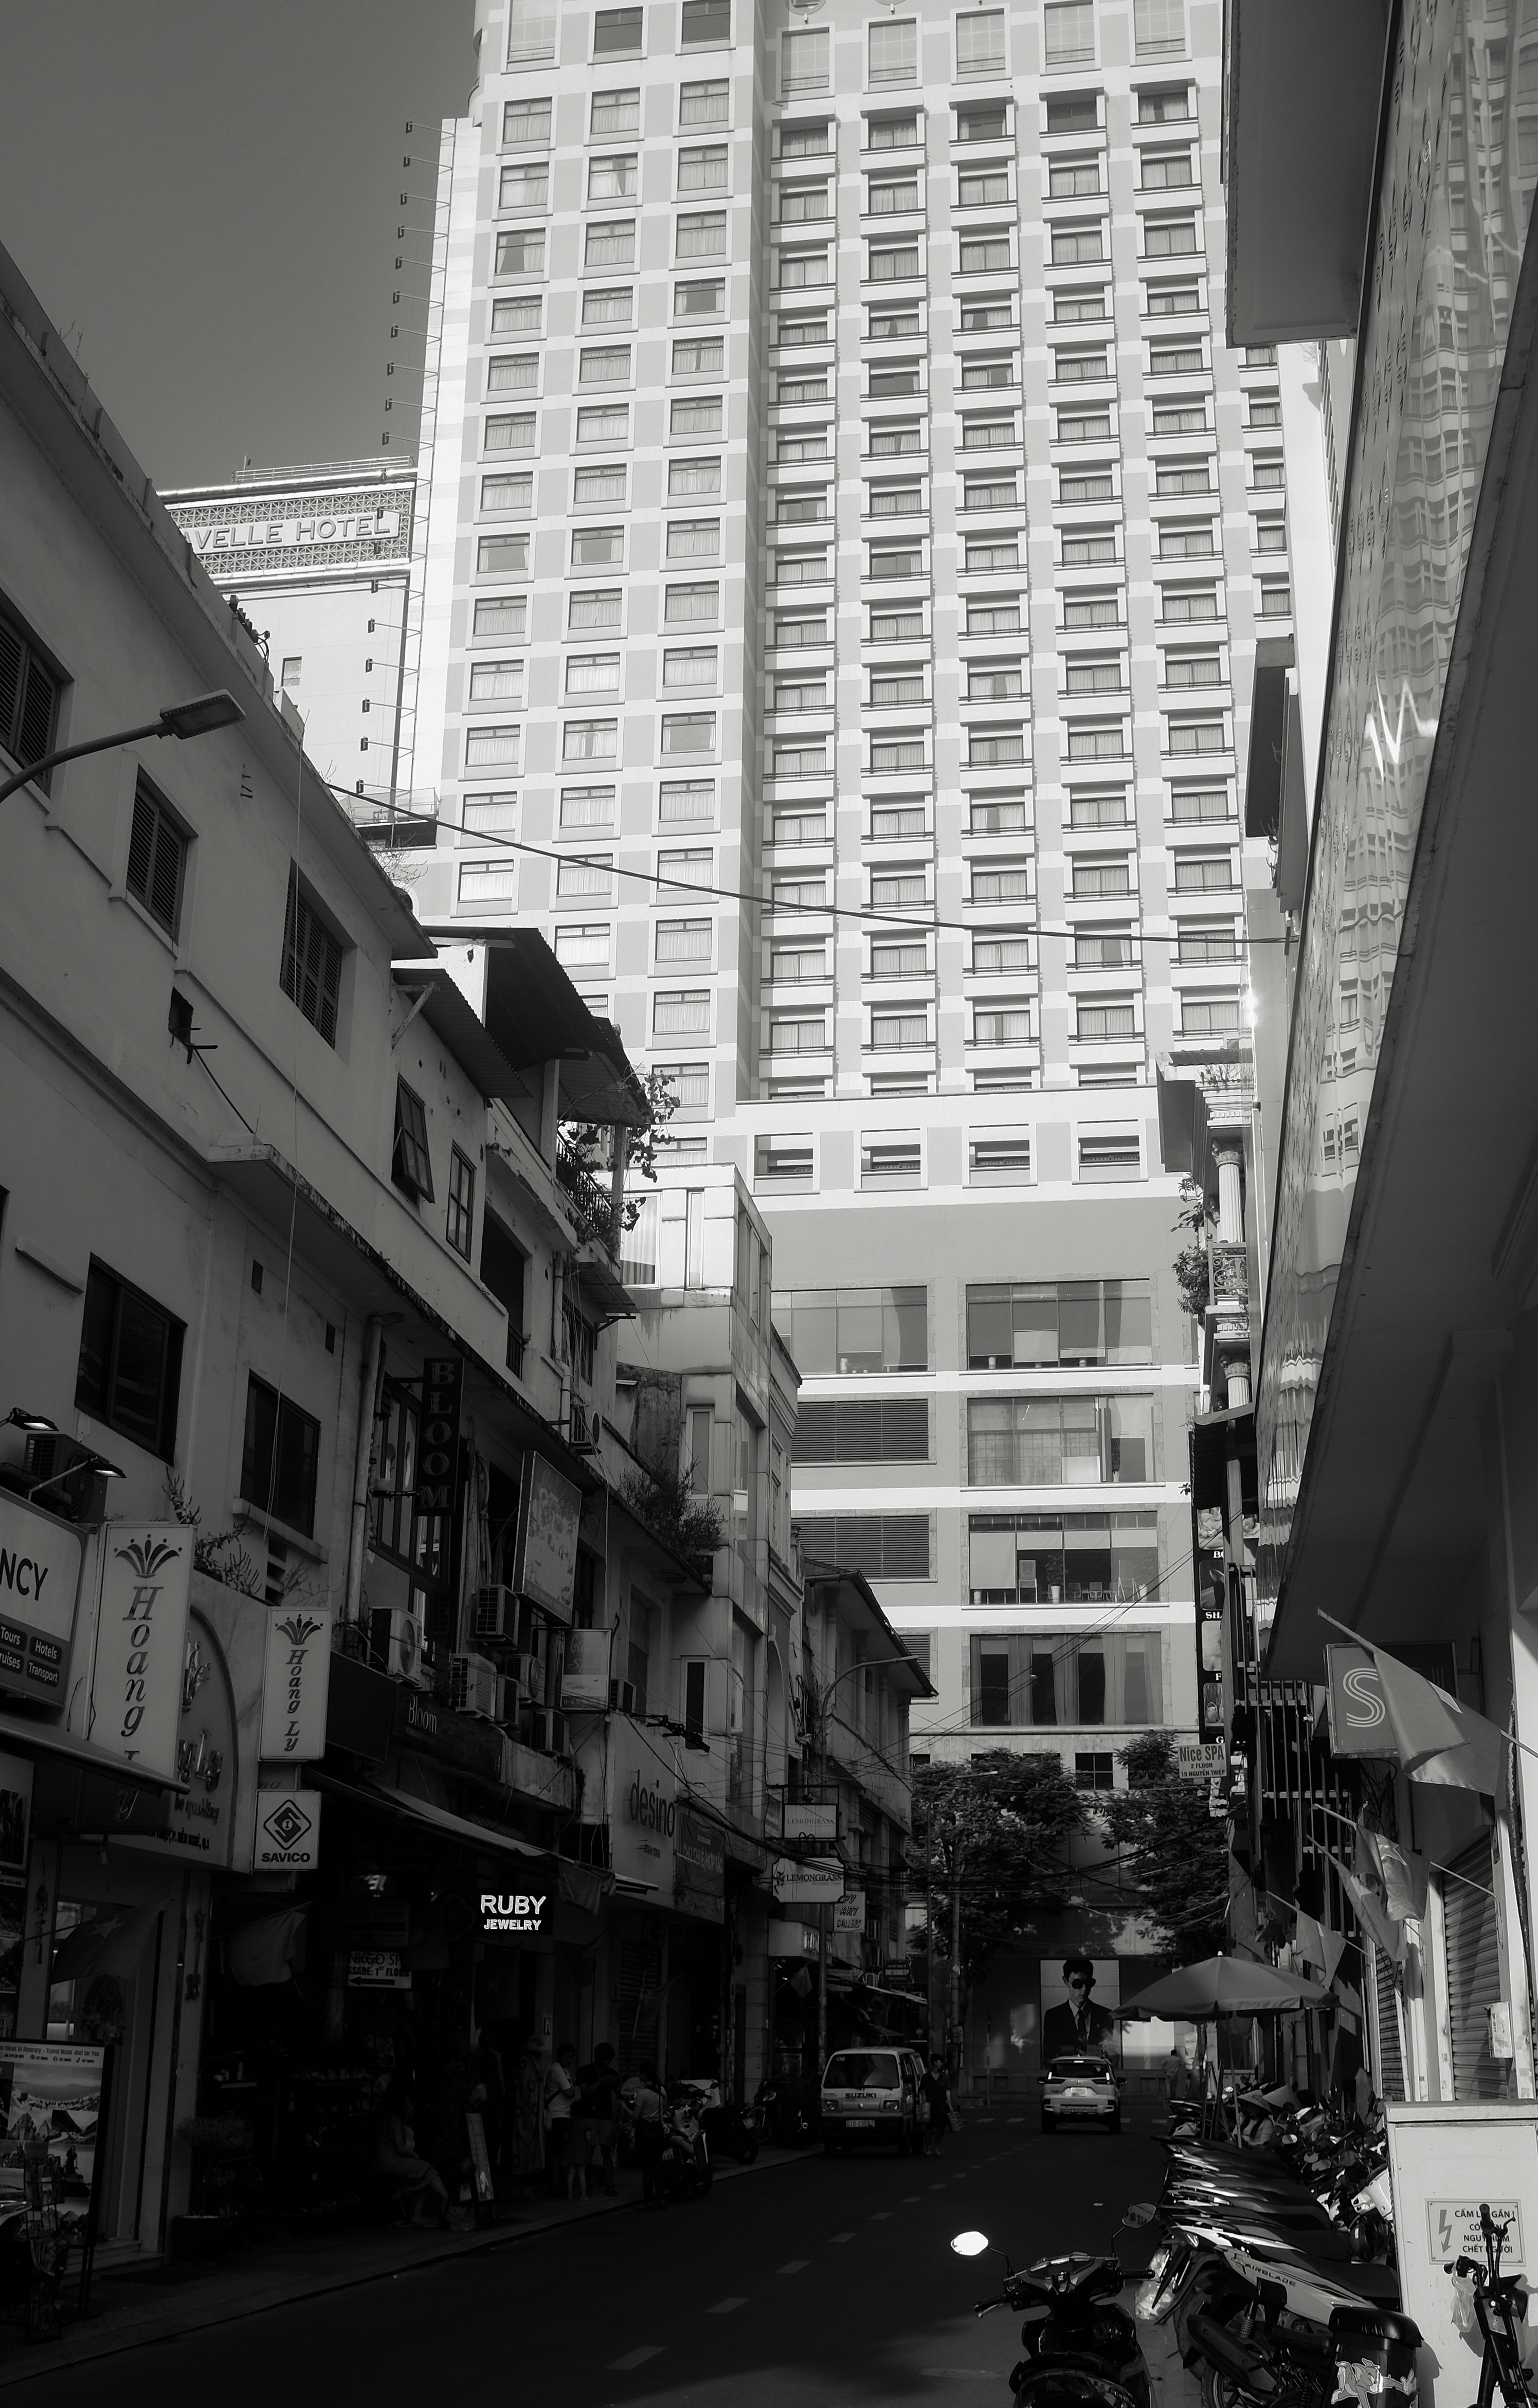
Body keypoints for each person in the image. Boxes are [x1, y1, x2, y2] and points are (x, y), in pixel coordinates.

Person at [373, 2082, 449, 2226]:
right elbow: (400, 2149)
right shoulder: (396, 2119)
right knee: (427, 2168)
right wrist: (414, 2156)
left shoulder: (381, 2115)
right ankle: (446, 2200)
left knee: (427, 2172)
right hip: (392, 2160)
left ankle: (414, 2206)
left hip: (382, 2159)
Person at [1041, 1957, 1116, 2060]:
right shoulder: (1054, 2016)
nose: (1084, 1989)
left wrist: (1110, 2054)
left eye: (1089, 1983)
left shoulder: (1105, 2015)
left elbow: (1110, 2053)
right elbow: (1049, 2053)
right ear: (1066, 1981)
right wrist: (1072, 2051)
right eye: (1078, 1984)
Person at [574, 2041, 621, 2198]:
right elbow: (586, 2093)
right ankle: (587, 2185)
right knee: (589, 2150)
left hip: (606, 2116)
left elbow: (619, 2094)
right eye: (604, 2059)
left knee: (607, 2151)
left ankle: (610, 2185)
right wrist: (602, 2081)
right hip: (589, 2115)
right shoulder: (585, 2071)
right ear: (597, 2058)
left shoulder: (613, 2073)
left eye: (608, 2060)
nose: (606, 2063)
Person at [623, 2065, 666, 2204]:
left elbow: (636, 2116)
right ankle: (661, 2199)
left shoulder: (641, 2094)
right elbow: (665, 2110)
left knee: (647, 2168)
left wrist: (624, 2108)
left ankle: (648, 2200)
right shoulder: (661, 2091)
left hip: (645, 2134)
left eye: (641, 2073)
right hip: (658, 2132)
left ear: (645, 2075)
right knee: (658, 2167)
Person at [543, 2043, 578, 2197]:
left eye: (572, 2058)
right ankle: (556, 2185)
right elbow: (569, 2092)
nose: (570, 2061)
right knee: (557, 2153)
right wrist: (576, 2090)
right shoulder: (557, 2069)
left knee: (560, 2152)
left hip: (563, 2114)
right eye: (567, 2057)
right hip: (557, 2115)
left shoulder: (564, 2070)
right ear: (560, 2056)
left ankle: (558, 2184)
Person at [919, 2053, 951, 2158]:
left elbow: (948, 2091)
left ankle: (936, 2146)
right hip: (930, 2106)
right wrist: (924, 2098)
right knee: (928, 2128)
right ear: (934, 2063)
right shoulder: (926, 2077)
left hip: (941, 2106)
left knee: (942, 2127)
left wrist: (950, 2105)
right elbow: (921, 2090)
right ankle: (928, 2149)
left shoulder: (944, 2077)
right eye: (939, 2062)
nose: (941, 2064)